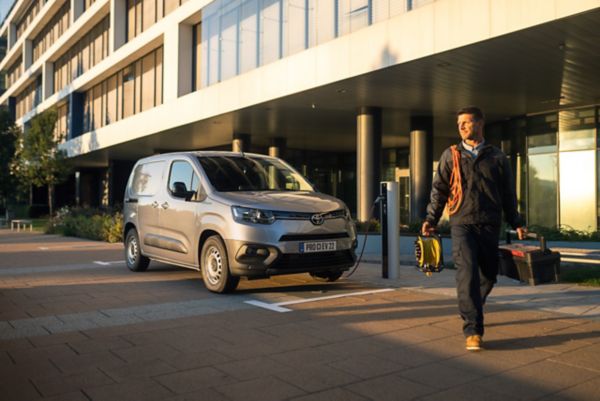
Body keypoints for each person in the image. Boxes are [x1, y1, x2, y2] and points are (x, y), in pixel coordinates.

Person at [421, 106, 527, 351]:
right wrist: (431, 219)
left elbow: (509, 194)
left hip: (490, 224)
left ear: (480, 123)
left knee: (488, 276)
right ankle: (473, 329)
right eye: (459, 124)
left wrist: (517, 222)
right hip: (462, 223)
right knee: (467, 274)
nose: (462, 127)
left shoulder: (498, 157)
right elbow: (439, 190)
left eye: (467, 123)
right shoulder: (450, 155)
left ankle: (473, 304)